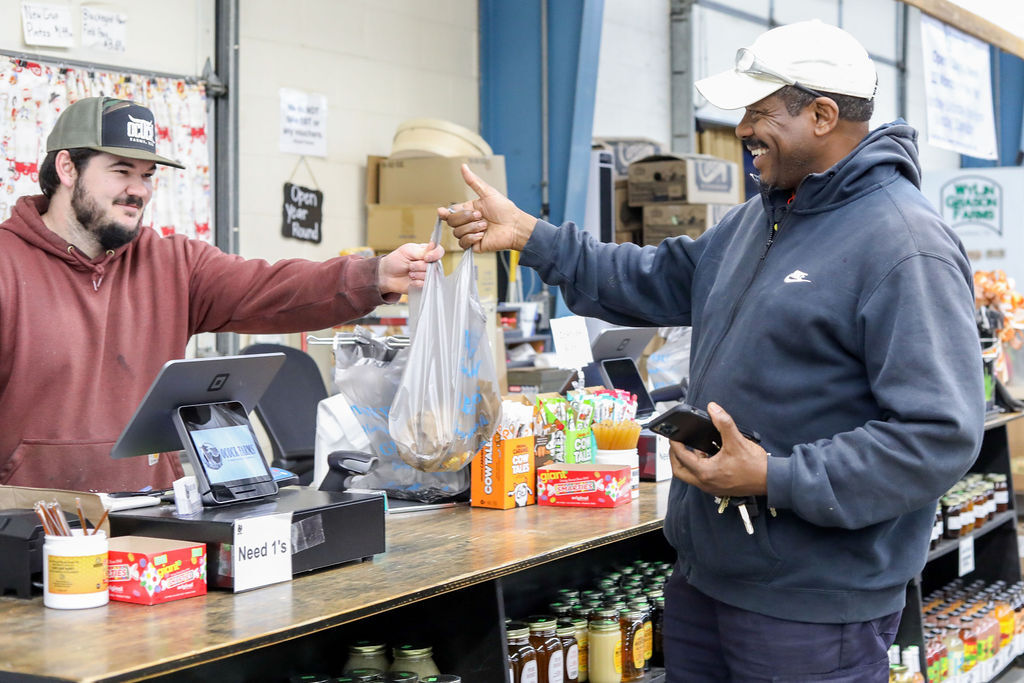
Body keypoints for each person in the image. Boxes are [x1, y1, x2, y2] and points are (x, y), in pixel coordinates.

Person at [443, 19, 984, 682]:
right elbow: (651, 279)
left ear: (821, 114)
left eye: (758, 112)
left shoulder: (903, 245)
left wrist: (775, 475)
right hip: (707, 584)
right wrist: (530, 235)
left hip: (812, 608)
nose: (741, 129)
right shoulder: (757, 219)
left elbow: (938, 435)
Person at [0, 96, 442, 493]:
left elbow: (270, 288)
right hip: (27, 526)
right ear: (66, 168)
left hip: (148, 523)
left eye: (147, 175)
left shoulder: (173, 264)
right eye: (121, 171)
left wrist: (376, 273)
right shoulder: (6, 264)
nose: (139, 189)